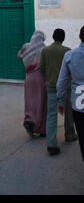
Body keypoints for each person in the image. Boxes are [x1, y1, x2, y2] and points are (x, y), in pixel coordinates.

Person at [40, 29, 77, 157]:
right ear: (63, 38)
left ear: (53, 37)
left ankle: (51, 144)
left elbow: (42, 68)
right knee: (68, 112)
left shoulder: (45, 50)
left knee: (51, 115)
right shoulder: (68, 51)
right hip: (66, 86)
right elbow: (71, 70)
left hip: (51, 86)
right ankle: (70, 135)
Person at [57, 26, 84, 161]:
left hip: (78, 104)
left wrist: (60, 101)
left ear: (79, 36)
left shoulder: (69, 55)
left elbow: (62, 81)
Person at [18, 31, 47, 138]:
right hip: (40, 78)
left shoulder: (25, 47)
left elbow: (19, 55)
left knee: (30, 101)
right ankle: (41, 129)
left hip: (28, 77)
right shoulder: (44, 49)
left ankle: (29, 120)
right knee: (41, 102)